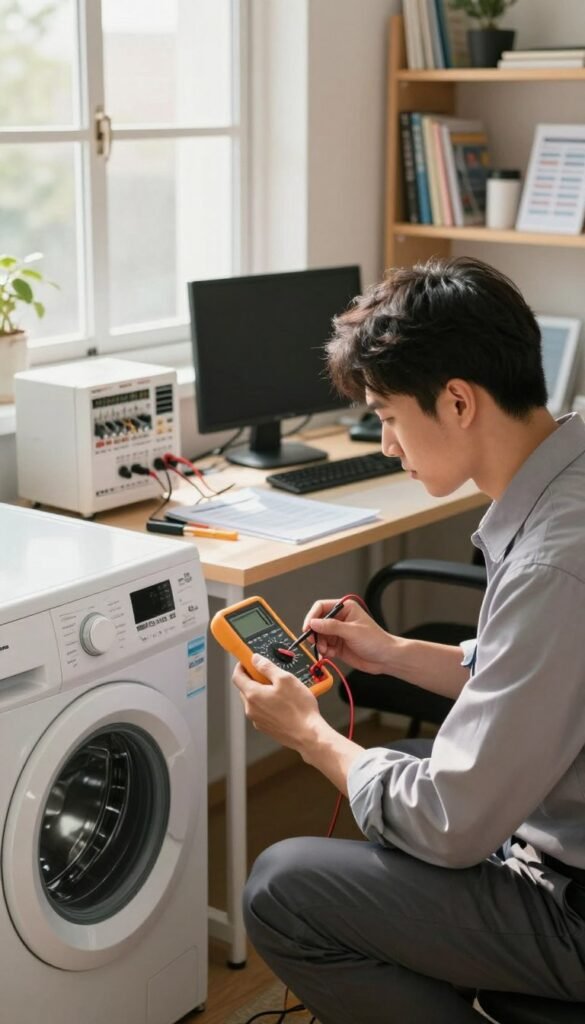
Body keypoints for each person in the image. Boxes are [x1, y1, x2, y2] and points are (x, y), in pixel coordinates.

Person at [232, 256, 585, 1023]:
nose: (386, 444)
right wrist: (392, 653)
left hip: (575, 914)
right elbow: (541, 681)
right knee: (408, 766)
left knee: (281, 887)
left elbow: (450, 825)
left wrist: (311, 737)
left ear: (457, 401)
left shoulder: (555, 562)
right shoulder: (571, 474)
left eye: (388, 416)